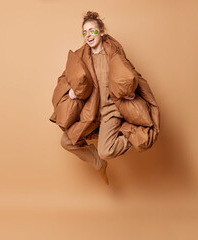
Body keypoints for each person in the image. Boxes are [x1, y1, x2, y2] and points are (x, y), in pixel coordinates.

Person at [50, 11, 160, 185]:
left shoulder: (114, 54)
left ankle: (133, 134)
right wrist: (71, 91)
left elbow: (131, 75)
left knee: (106, 150)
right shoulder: (80, 57)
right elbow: (67, 78)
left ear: (101, 32)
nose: (88, 36)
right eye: (85, 32)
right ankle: (98, 163)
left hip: (111, 111)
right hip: (91, 111)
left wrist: (130, 91)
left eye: (92, 31)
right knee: (66, 141)